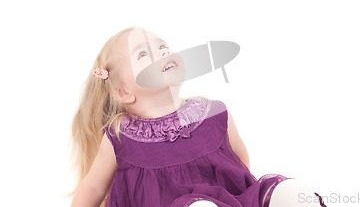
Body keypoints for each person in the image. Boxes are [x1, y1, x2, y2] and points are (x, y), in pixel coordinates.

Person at [70, 27, 327, 207]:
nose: (162, 53)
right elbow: (93, 188)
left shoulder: (214, 114)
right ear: (123, 91)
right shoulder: (120, 137)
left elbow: (240, 164)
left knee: (290, 193)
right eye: (143, 54)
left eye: (162, 46)